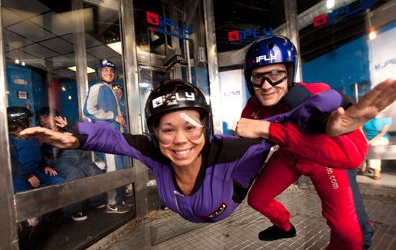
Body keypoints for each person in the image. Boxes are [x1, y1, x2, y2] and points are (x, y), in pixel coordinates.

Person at [20, 79, 371, 224]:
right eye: (167, 129)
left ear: (205, 126)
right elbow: (109, 136)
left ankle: (284, 223)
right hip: (197, 208)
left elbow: (295, 116)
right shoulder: (154, 151)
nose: (180, 141)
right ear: (154, 134)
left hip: (232, 199)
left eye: (190, 126)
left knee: (265, 197)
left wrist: (330, 119)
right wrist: (73, 136)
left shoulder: (233, 150)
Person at [235, 35, 396, 250]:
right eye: (258, 77)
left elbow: (348, 157)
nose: (267, 85)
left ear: (290, 73)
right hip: (290, 157)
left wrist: (327, 127)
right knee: (258, 199)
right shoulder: (254, 107)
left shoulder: (313, 93)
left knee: (350, 233)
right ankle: (284, 227)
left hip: (323, 161)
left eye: (275, 75)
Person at [36, 107, 107, 221]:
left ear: (55, 117)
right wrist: (45, 165)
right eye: (40, 118)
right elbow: (37, 154)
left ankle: (97, 201)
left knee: (95, 172)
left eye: (45, 116)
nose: (43, 120)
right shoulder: (41, 134)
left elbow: (82, 139)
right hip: (61, 160)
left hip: (80, 157)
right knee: (76, 174)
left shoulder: (65, 127)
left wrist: (68, 127)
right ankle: (72, 210)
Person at [83, 59, 131, 213]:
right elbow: (88, 110)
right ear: (99, 73)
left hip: (117, 135)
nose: (109, 73)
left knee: (121, 167)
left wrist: (121, 120)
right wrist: (112, 116)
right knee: (113, 168)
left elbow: (116, 116)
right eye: (105, 70)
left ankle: (119, 198)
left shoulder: (111, 90)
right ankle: (112, 203)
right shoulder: (97, 87)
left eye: (111, 71)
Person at [7, 106, 64, 225]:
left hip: (36, 171)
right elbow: (12, 164)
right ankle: (36, 221)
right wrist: (28, 176)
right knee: (29, 200)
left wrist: (45, 166)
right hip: (20, 175)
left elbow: (38, 155)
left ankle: (51, 214)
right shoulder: (8, 140)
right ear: (21, 120)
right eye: (29, 119)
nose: (31, 121)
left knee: (58, 181)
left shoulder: (30, 135)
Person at [361, 113, 392, 180]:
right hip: (366, 138)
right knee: (361, 144)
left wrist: (369, 142)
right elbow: (360, 128)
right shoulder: (365, 116)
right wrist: (365, 139)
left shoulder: (387, 118)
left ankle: (376, 169)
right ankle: (364, 165)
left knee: (374, 146)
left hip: (381, 138)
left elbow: (382, 133)